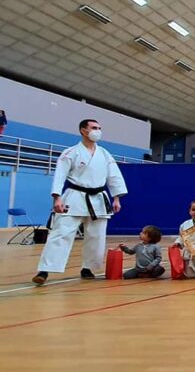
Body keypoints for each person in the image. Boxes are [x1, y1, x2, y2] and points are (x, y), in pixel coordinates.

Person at [34, 119, 128, 284]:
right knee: (61, 233)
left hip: (99, 199)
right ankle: (45, 270)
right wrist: (57, 197)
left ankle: (88, 268)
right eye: (94, 128)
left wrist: (117, 198)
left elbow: (114, 176)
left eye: (99, 128)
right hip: (75, 197)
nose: (98, 131)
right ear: (83, 131)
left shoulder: (104, 154)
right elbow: (60, 175)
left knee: (96, 236)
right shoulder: (70, 152)